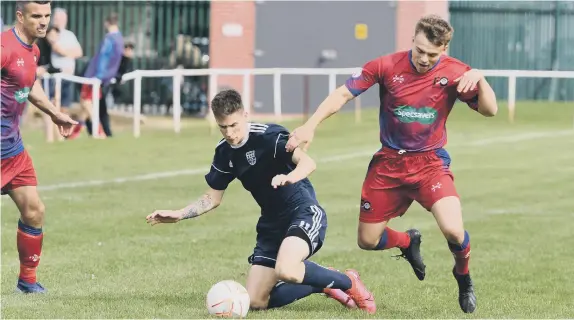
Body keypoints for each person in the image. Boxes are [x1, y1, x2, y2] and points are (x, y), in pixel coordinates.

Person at [285, 14, 498, 314]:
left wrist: (481, 79)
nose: (424, 59)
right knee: (367, 241)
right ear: (412, 39)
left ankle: (463, 276)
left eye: (432, 54)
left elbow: (490, 110)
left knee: (453, 230)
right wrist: (311, 125)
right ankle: (407, 242)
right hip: (388, 164)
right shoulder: (385, 65)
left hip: (430, 164)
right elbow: (344, 93)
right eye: (419, 50)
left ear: (444, 49)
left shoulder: (456, 73)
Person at [146, 89, 376, 314]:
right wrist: (180, 214)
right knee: (255, 301)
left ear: (245, 116)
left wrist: (289, 177)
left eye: (234, 125)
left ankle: (348, 281)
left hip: (302, 211)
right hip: (271, 224)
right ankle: (321, 281)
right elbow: (212, 198)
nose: (229, 133)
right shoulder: (224, 153)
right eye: (223, 127)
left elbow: (308, 164)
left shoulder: (269, 137)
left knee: (287, 270)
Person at [1, 0, 77, 294]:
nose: (43, 21)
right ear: (20, 16)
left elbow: (29, 84)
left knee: (34, 210)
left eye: (46, 15)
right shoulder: (5, 48)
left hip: (12, 149)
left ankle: (28, 281)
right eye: (36, 16)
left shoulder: (33, 49)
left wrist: (54, 113)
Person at [70, 12, 123, 139]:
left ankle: (99, 132)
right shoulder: (120, 39)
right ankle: (74, 133)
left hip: (95, 76)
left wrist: (97, 76)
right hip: (107, 76)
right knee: (87, 106)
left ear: (106, 23)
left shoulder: (109, 39)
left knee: (86, 102)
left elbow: (103, 58)